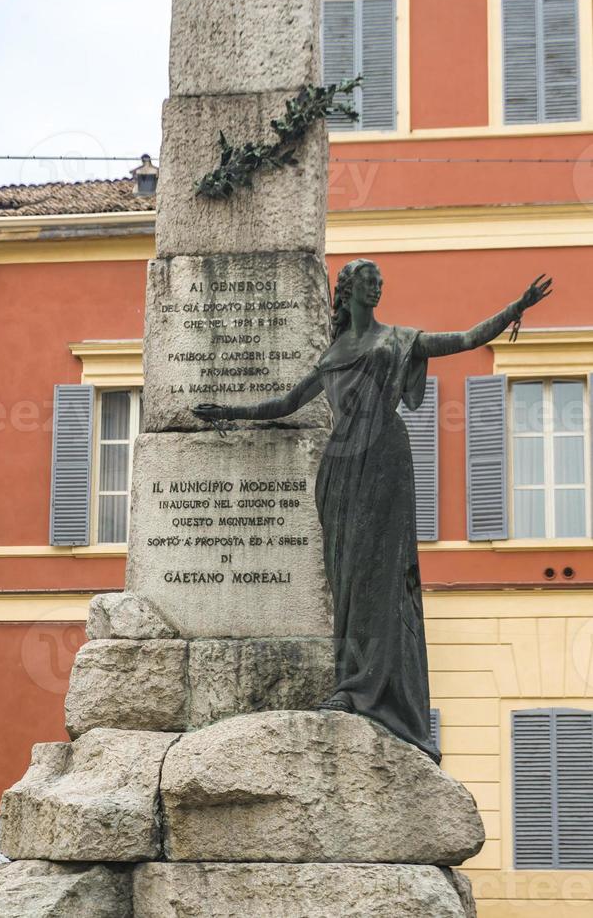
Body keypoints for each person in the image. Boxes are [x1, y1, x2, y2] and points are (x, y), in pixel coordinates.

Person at [194, 259, 552, 762]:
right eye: (369, 279)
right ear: (349, 291)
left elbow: (467, 339)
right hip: (340, 470)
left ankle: (378, 691)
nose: (378, 285)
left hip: (385, 459)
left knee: (381, 579)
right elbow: (286, 403)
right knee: (347, 580)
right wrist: (229, 413)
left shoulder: (398, 340)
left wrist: (514, 309)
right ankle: (350, 683)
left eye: (380, 280)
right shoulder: (334, 353)